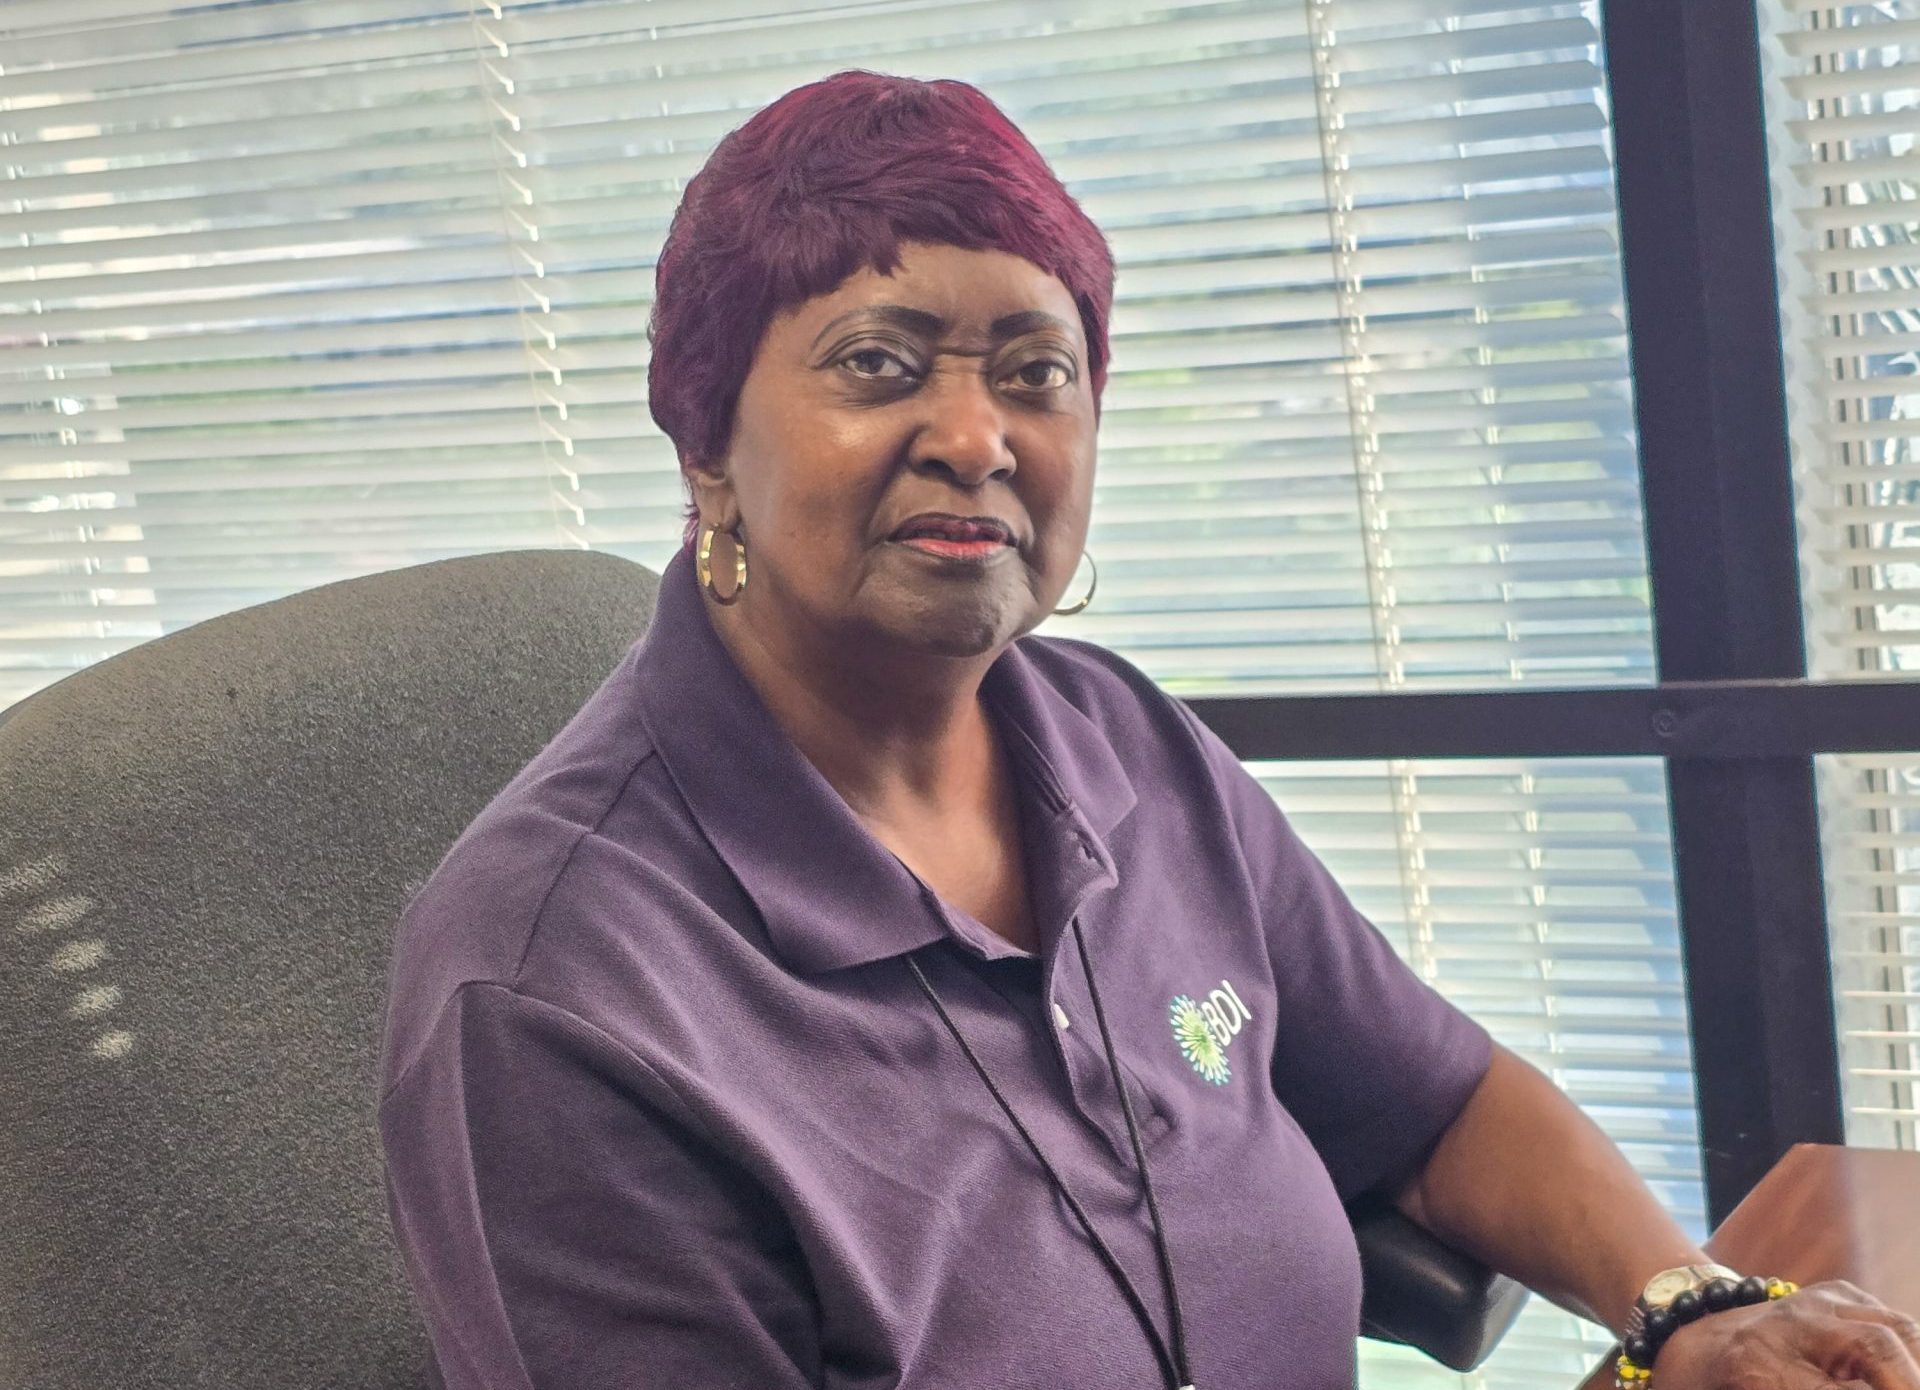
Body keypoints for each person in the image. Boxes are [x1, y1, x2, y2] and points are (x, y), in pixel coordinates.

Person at [377, 69, 1920, 1390]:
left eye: (1036, 372)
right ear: (705, 435)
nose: (976, 435)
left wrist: (1687, 1306)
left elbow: (1435, 1096)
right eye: (878, 362)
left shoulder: (1118, 740)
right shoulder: (548, 990)